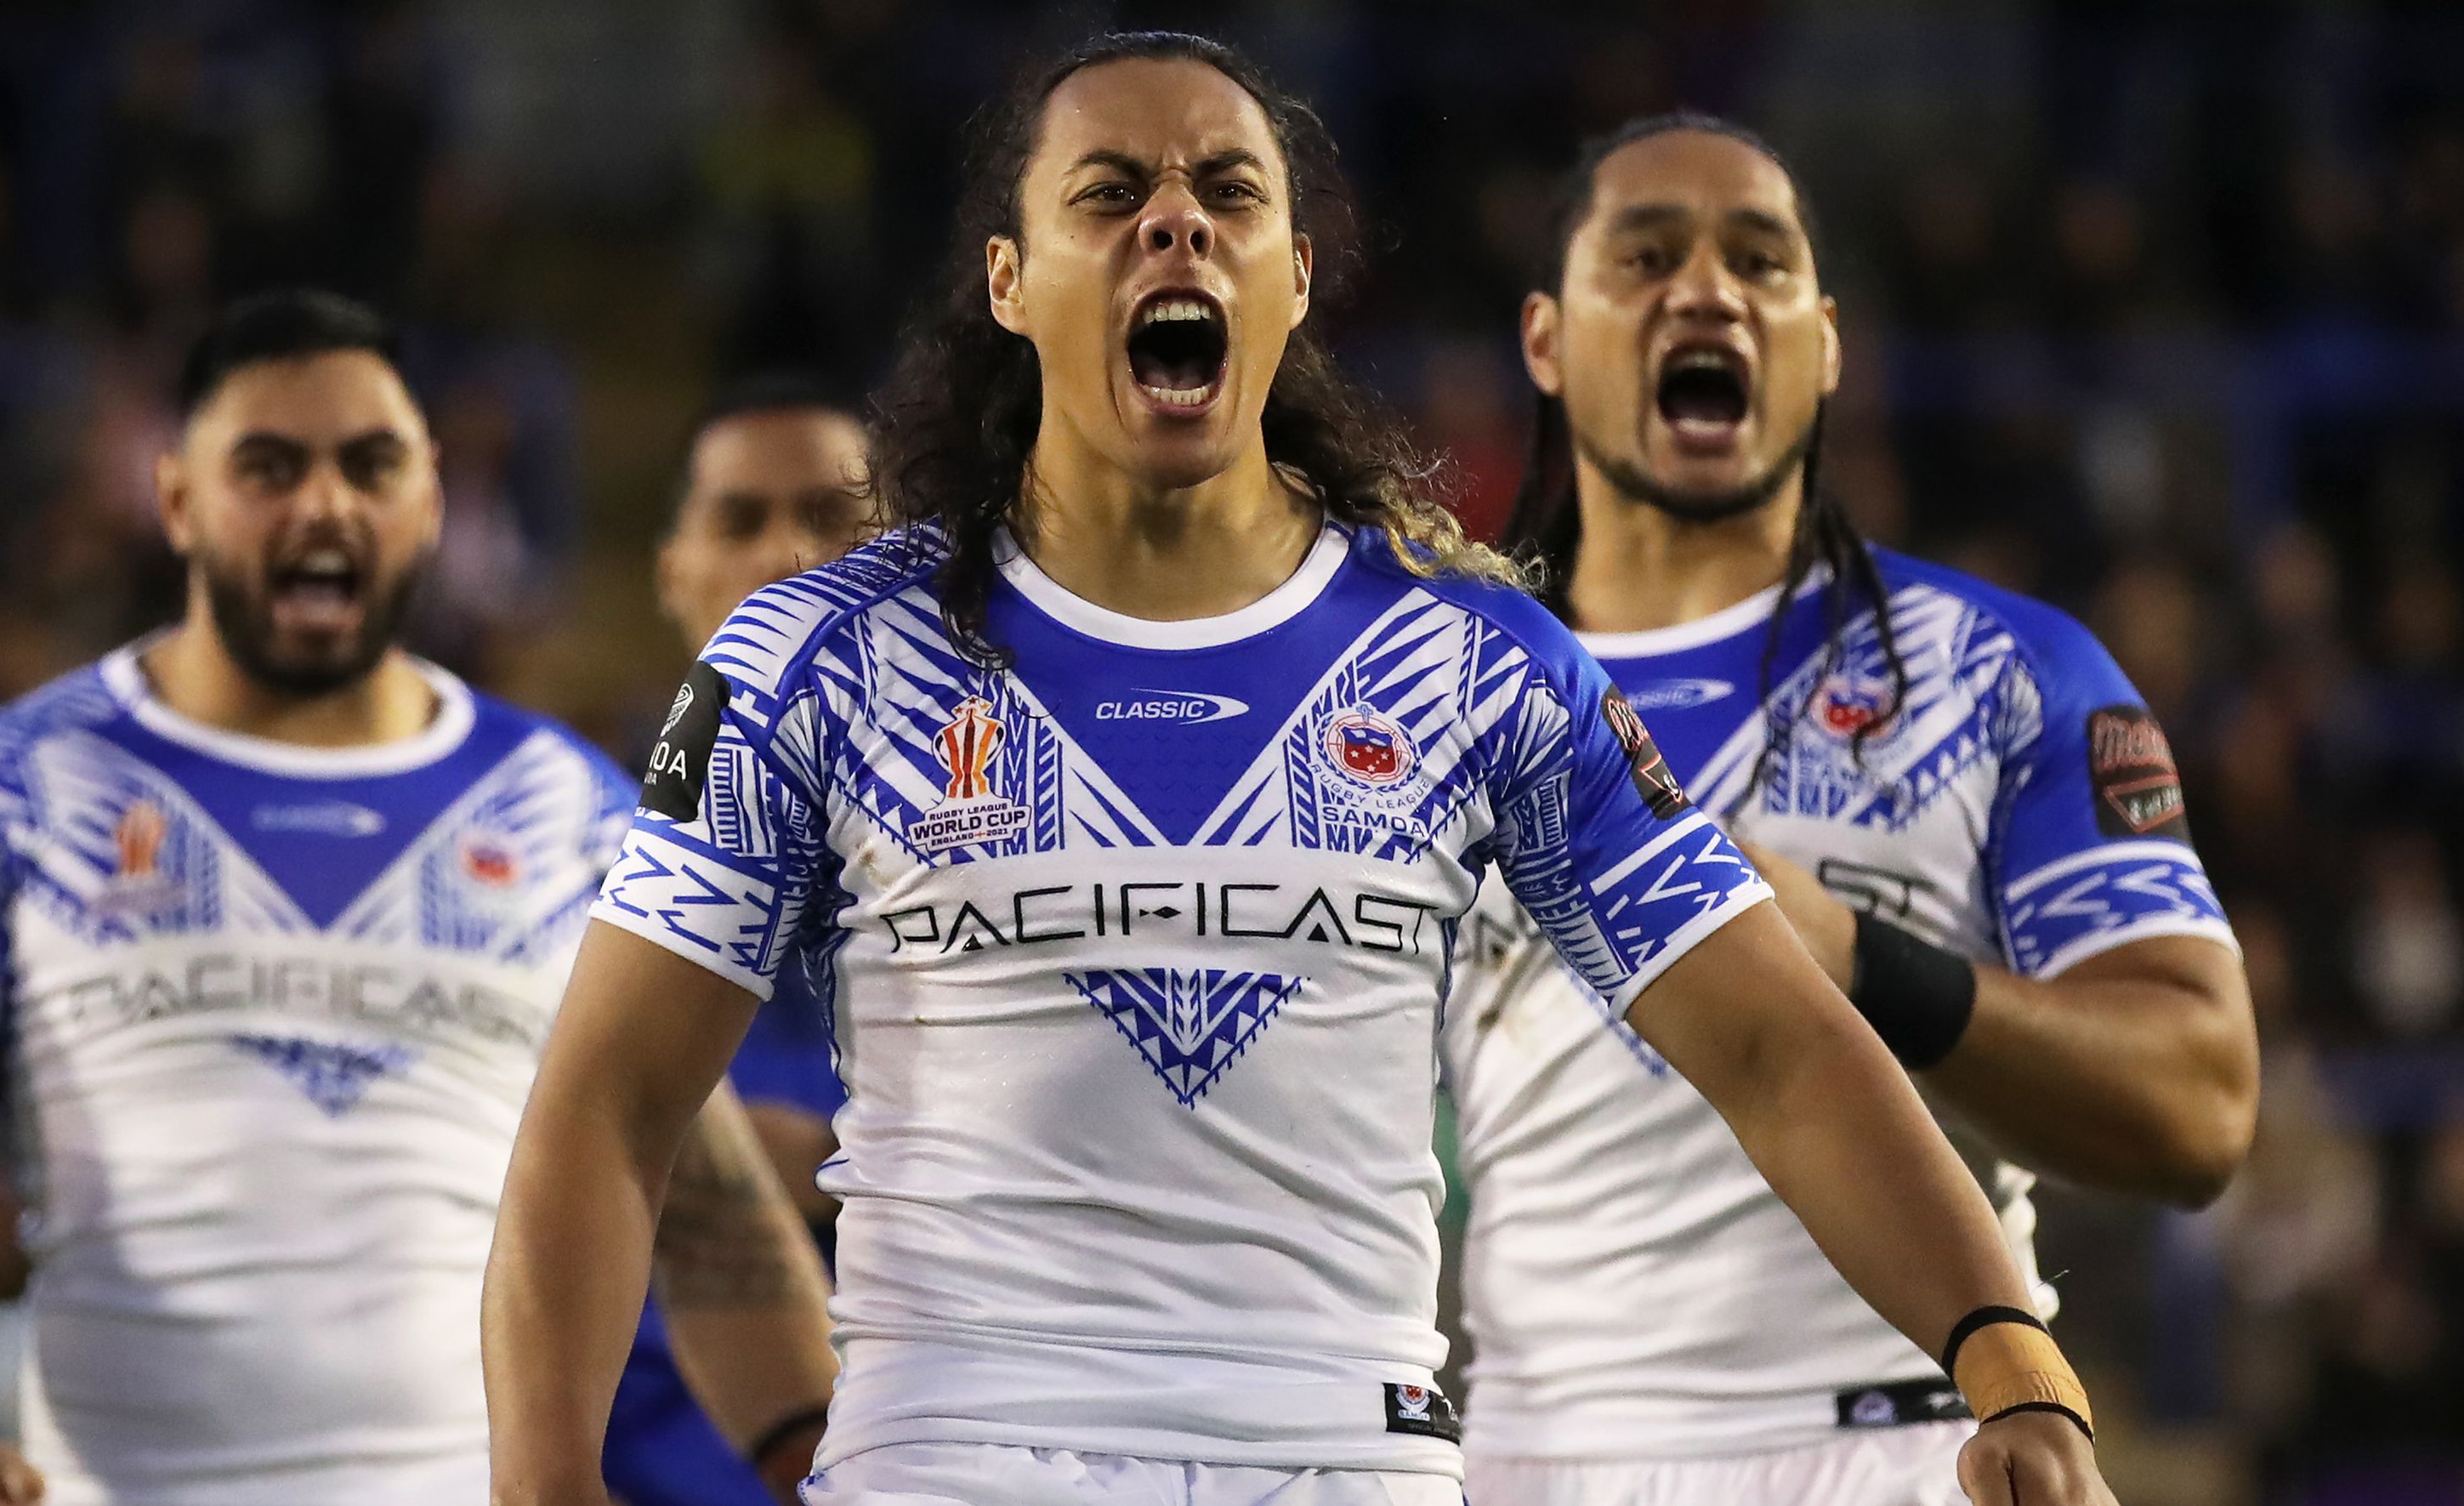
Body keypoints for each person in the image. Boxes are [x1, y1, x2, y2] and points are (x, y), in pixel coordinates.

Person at [484, 34, 2117, 1506]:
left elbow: (1778, 1046)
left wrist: (2008, 1355)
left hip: (1352, 1454)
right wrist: (543, 1483)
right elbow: (610, 1110)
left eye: (1226, 194)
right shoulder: (823, 655)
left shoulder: (1479, 663)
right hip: (960, 1451)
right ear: (1009, 279)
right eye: (1111, 193)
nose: (1174, 226)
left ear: (1295, 275)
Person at [0, 290, 832, 1506]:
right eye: (270, 468)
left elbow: (699, 1206)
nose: (325, 504)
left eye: (369, 464)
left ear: (432, 496)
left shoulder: (571, 807)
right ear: (177, 499)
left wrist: (825, 1469)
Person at [1440, 114, 2258, 1506]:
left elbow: (2200, 1106)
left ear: (1821, 347)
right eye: (1645, 256)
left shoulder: (2005, 672)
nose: (1705, 291)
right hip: (1525, 1457)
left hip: (1922, 1444)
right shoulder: (1424, 690)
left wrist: (1874, 966)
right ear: (1543, 339)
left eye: (1760, 262)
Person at [605, 378, 871, 1506]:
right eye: (741, 520)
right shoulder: (569, 862)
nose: (787, 557)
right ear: (672, 572)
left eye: (829, 518)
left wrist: (825, 1164)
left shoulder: (1001, 865)